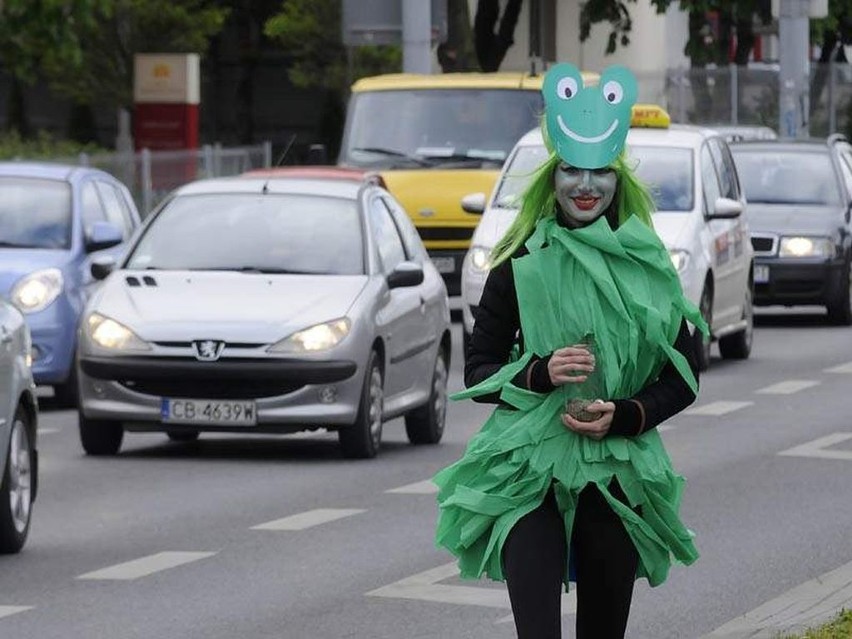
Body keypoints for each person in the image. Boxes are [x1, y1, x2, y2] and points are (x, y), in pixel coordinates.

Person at [433, 63, 708, 639]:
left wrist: (627, 414)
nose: (586, 185)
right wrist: (539, 373)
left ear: (617, 180)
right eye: (571, 171)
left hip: (616, 472)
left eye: (599, 171)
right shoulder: (520, 265)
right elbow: (479, 371)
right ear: (552, 180)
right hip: (527, 470)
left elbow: (685, 375)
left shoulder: (648, 268)